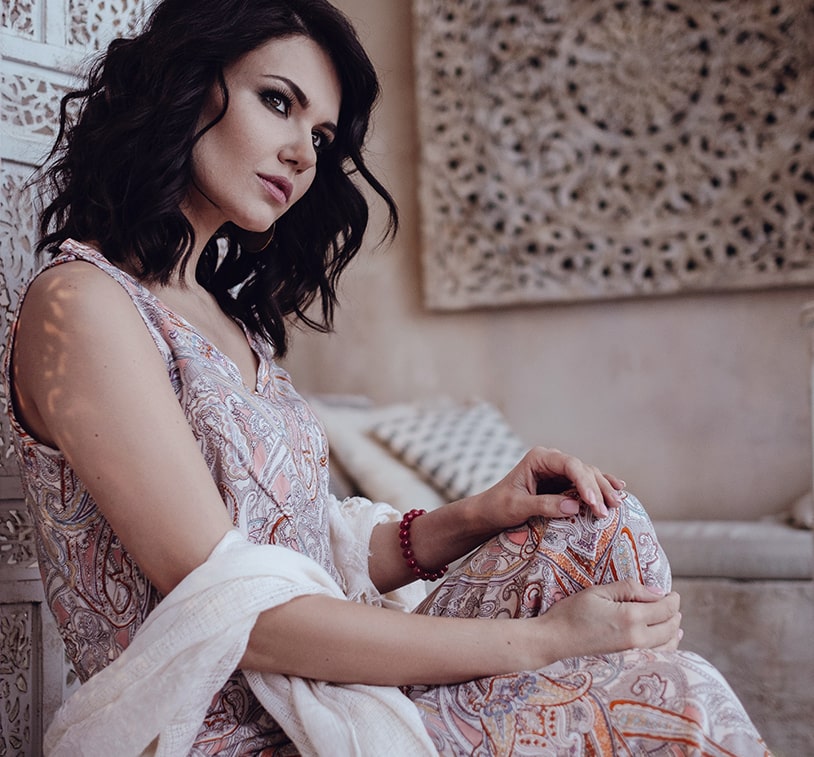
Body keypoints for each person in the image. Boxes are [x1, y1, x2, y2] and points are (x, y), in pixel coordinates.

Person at [5, 0, 771, 754]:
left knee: (599, 526)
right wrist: (540, 641)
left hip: (313, 689)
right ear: (184, 81)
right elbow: (242, 614)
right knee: (680, 699)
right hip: (210, 728)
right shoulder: (82, 305)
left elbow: (301, 546)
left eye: (321, 135)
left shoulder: (225, 316)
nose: (305, 154)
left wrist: (479, 513)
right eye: (279, 102)